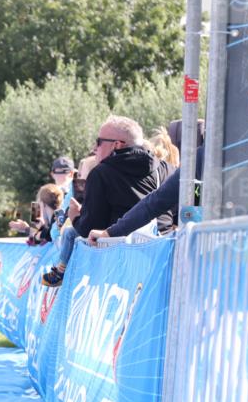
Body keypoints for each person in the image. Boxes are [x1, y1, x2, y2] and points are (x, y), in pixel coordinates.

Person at [43, 115, 173, 287]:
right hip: (165, 260)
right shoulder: (167, 169)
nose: (94, 148)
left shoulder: (101, 173)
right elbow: (190, 203)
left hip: (119, 272)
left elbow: (90, 228)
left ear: (117, 145)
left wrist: (75, 217)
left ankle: (59, 271)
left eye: (98, 142)